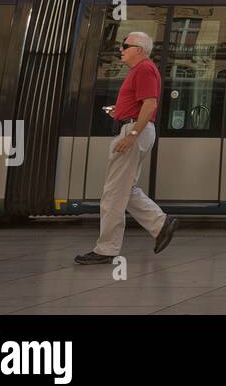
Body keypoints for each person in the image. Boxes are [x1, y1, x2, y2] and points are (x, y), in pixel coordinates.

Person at [75, 30, 177, 264]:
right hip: (131, 127)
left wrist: (131, 134)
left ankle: (106, 249)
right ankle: (161, 224)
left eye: (125, 45)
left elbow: (150, 105)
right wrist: (119, 111)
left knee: (113, 194)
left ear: (139, 50)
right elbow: (142, 104)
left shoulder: (144, 69)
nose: (121, 49)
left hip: (133, 132)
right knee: (125, 190)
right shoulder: (141, 70)